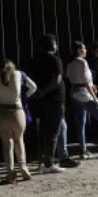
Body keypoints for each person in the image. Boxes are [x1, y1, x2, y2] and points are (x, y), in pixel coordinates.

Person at [26, 34, 74, 172]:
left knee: (41, 132)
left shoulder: (33, 60)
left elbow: (29, 78)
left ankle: (41, 161)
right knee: (53, 132)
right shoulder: (55, 60)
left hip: (37, 101)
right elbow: (56, 80)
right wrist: (44, 91)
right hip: (54, 100)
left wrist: (37, 93)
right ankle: (49, 163)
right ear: (52, 46)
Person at [65, 41, 98, 159]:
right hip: (84, 94)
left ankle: (83, 150)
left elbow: (69, 78)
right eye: (84, 48)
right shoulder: (83, 62)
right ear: (79, 50)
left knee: (81, 122)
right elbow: (86, 82)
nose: (86, 51)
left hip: (74, 94)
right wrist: (95, 98)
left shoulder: (70, 63)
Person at [0, 59, 36, 183]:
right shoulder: (20, 74)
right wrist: (24, 96)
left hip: (2, 112)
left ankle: (10, 171)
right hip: (17, 111)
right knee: (19, 140)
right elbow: (33, 87)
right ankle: (23, 167)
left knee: (7, 143)